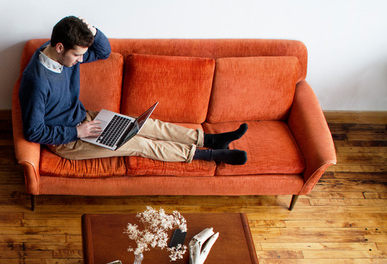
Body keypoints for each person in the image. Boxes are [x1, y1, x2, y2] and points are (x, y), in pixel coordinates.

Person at [18, 16, 248, 165]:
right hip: (68, 141)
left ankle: (209, 139)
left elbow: (103, 52)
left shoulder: (58, 53)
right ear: (60, 47)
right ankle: (209, 155)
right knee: (139, 143)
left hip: (85, 119)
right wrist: (78, 133)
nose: (81, 60)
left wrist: (94, 32)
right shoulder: (36, 82)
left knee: (147, 125)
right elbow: (34, 132)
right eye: (77, 54)